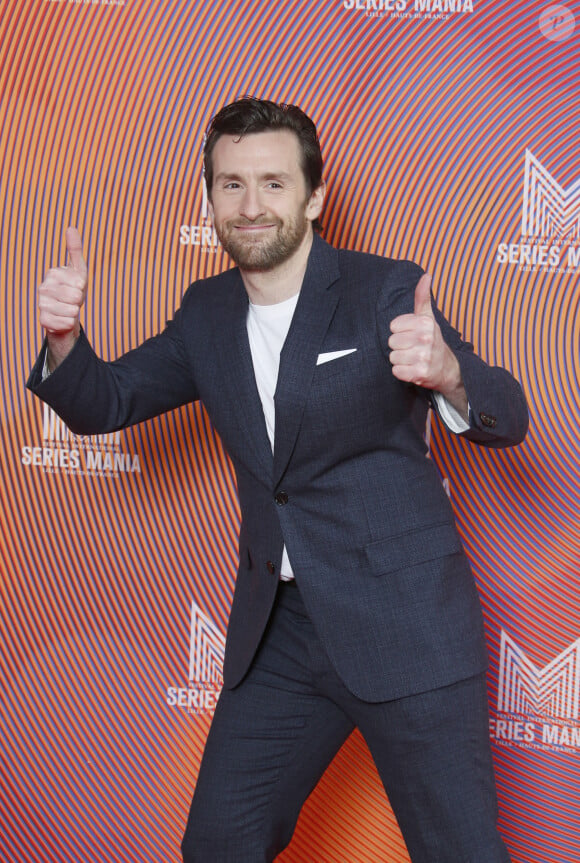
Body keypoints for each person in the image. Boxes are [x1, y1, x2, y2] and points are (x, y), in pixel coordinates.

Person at [28, 97, 528, 862]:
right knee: (219, 843)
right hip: (283, 633)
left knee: (459, 849)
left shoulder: (386, 291)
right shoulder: (206, 312)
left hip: (407, 623)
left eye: (272, 183)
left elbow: (511, 416)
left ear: (314, 196)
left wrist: (452, 376)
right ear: (209, 200)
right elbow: (106, 402)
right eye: (231, 185)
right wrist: (64, 340)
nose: (251, 205)